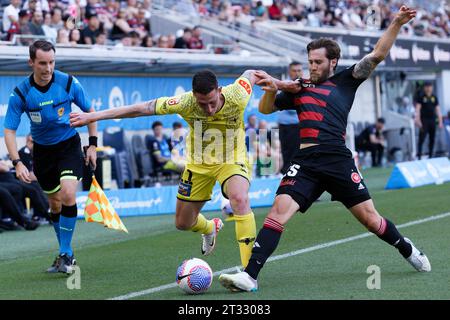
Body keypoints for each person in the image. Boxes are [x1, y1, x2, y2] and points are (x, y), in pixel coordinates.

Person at [218, 6, 431, 293]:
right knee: (278, 211)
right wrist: (271, 89)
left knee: (370, 219)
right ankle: (250, 276)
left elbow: (377, 55)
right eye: (310, 62)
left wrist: (395, 22)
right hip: (306, 161)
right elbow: (266, 110)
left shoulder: (347, 80)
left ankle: (406, 247)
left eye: (318, 62)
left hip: (337, 159)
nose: (312, 66)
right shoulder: (299, 88)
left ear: (333, 62)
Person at [70, 69, 263, 268]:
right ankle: (209, 227)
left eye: (212, 102)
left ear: (220, 90)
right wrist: (93, 116)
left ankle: (249, 272)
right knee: (183, 223)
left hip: (232, 158)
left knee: (239, 198)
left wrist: (281, 85)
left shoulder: (238, 94)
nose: (209, 109)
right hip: (199, 165)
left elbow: (252, 73)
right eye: (202, 104)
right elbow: (142, 108)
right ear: (194, 96)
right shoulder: (186, 102)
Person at [3, 40, 98, 274]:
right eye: (42, 63)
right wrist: (17, 162)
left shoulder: (67, 82)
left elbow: (91, 112)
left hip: (68, 146)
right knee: (54, 203)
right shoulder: (21, 93)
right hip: (43, 153)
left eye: (52, 62)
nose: (48, 68)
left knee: (67, 193)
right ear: (31, 62)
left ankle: (66, 254)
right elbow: (9, 130)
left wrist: (92, 145)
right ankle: (65, 252)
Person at [278, 61, 303, 174]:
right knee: (288, 155)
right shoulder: (284, 85)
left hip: (301, 125)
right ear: (289, 72)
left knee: (301, 155)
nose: (297, 73)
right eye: (294, 70)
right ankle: (286, 178)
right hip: (287, 126)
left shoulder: (306, 86)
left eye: (299, 70)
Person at [415, 82, 444, 159]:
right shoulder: (421, 97)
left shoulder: (434, 97)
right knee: (422, 139)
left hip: (432, 120)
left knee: (432, 138)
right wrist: (417, 120)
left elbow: (438, 110)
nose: (428, 88)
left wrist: (440, 121)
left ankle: (431, 156)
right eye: (427, 87)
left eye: (430, 87)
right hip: (424, 120)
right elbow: (417, 109)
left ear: (432, 88)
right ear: (424, 88)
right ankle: (419, 156)